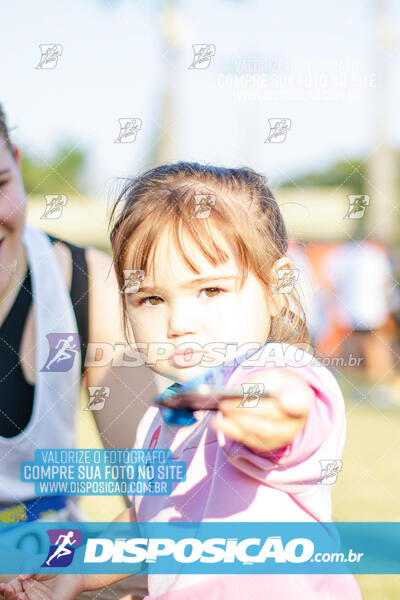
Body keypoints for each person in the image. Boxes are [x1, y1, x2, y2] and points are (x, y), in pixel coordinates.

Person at [0, 162, 362, 598]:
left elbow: (290, 401)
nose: (178, 322)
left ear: (277, 286)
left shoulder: (275, 370)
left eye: (210, 291)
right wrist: (76, 572)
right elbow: (148, 524)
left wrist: (273, 409)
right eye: (151, 298)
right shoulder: (164, 419)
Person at [0, 105, 173, 598]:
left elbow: (156, 505)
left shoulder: (86, 282)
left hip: (54, 564)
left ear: (14, 160)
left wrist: (76, 579)